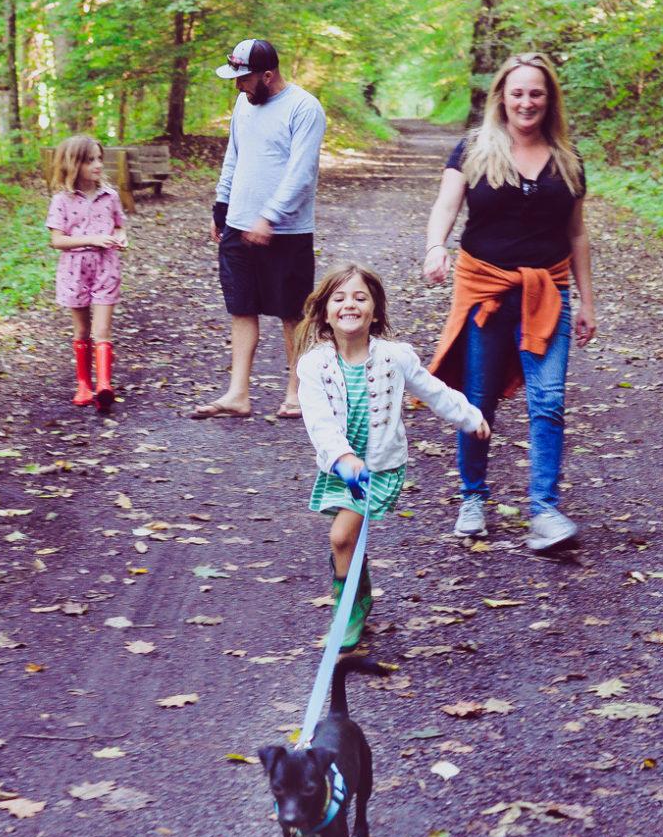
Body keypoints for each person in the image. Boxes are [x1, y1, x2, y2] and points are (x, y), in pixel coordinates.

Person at [421, 52, 598, 552]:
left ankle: (544, 511)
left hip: (548, 292)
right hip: (485, 292)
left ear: (550, 99)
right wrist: (436, 247)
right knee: (477, 402)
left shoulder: (568, 159)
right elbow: (445, 206)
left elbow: (578, 235)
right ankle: (472, 498)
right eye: (517, 92)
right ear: (502, 95)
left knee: (549, 401)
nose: (527, 102)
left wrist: (588, 302)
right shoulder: (473, 149)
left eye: (536, 93)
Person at [296, 264, 489, 648]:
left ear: (376, 311)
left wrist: (469, 417)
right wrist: (343, 459)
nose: (349, 304)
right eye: (339, 298)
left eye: (360, 297)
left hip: (381, 467)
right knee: (345, 540)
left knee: (340, 536)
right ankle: (356, 597)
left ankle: (348, 608)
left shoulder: (394, 356)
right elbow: (319, 423)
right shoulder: (313, 365)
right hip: (340, 467)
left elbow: (433, 390)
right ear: (325, 313)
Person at [191, 38, 326, 421]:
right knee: (241, 307)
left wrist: (270, 216)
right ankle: (238, 394)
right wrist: (222, 205)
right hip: (238, 225)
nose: (238, 86)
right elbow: (234, 154)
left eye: (245, 79)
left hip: (287, 232)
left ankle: (295, 393)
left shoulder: (304, 108)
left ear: (268, 75)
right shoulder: (243, 103)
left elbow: (301, 174)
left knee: (291, 313)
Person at [45, 134, 129, 406]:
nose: (98, 165)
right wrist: (92, 239)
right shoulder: (61, 200)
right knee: (82, 330)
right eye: (90, 160)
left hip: (106, 267)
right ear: (74, 164)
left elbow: (119, 224)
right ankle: (83, 385)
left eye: (100, 159)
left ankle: (104, 384)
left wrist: (121, 236)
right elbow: (57, 240)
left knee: (102, 330)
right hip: (74, 271)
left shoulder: (110, 196)